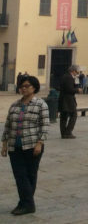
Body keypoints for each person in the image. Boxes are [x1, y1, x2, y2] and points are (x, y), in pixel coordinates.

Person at [1, 75, 49, 215]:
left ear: (34, 87)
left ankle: (25, 204)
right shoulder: (14, 105)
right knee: (20, 175)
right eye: (22, 86)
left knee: (30, 175)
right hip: (14, 147)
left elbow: (45, 125)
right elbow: (8, 125)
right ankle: (27, 204)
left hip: (32, 145)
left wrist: (40, 143)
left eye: (27, 86)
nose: (23, 88)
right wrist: (4, 144)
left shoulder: (40, 104)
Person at [58, 65, 81, 139]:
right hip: (68, 100)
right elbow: (69, 89)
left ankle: (63, 133)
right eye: (77, 72)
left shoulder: (66, 76)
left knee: (64, 117)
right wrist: (78, 90)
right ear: (73, 71)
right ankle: (68, 132)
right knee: (74, 115)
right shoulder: (69, 77)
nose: (77, 73)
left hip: (64, 99)